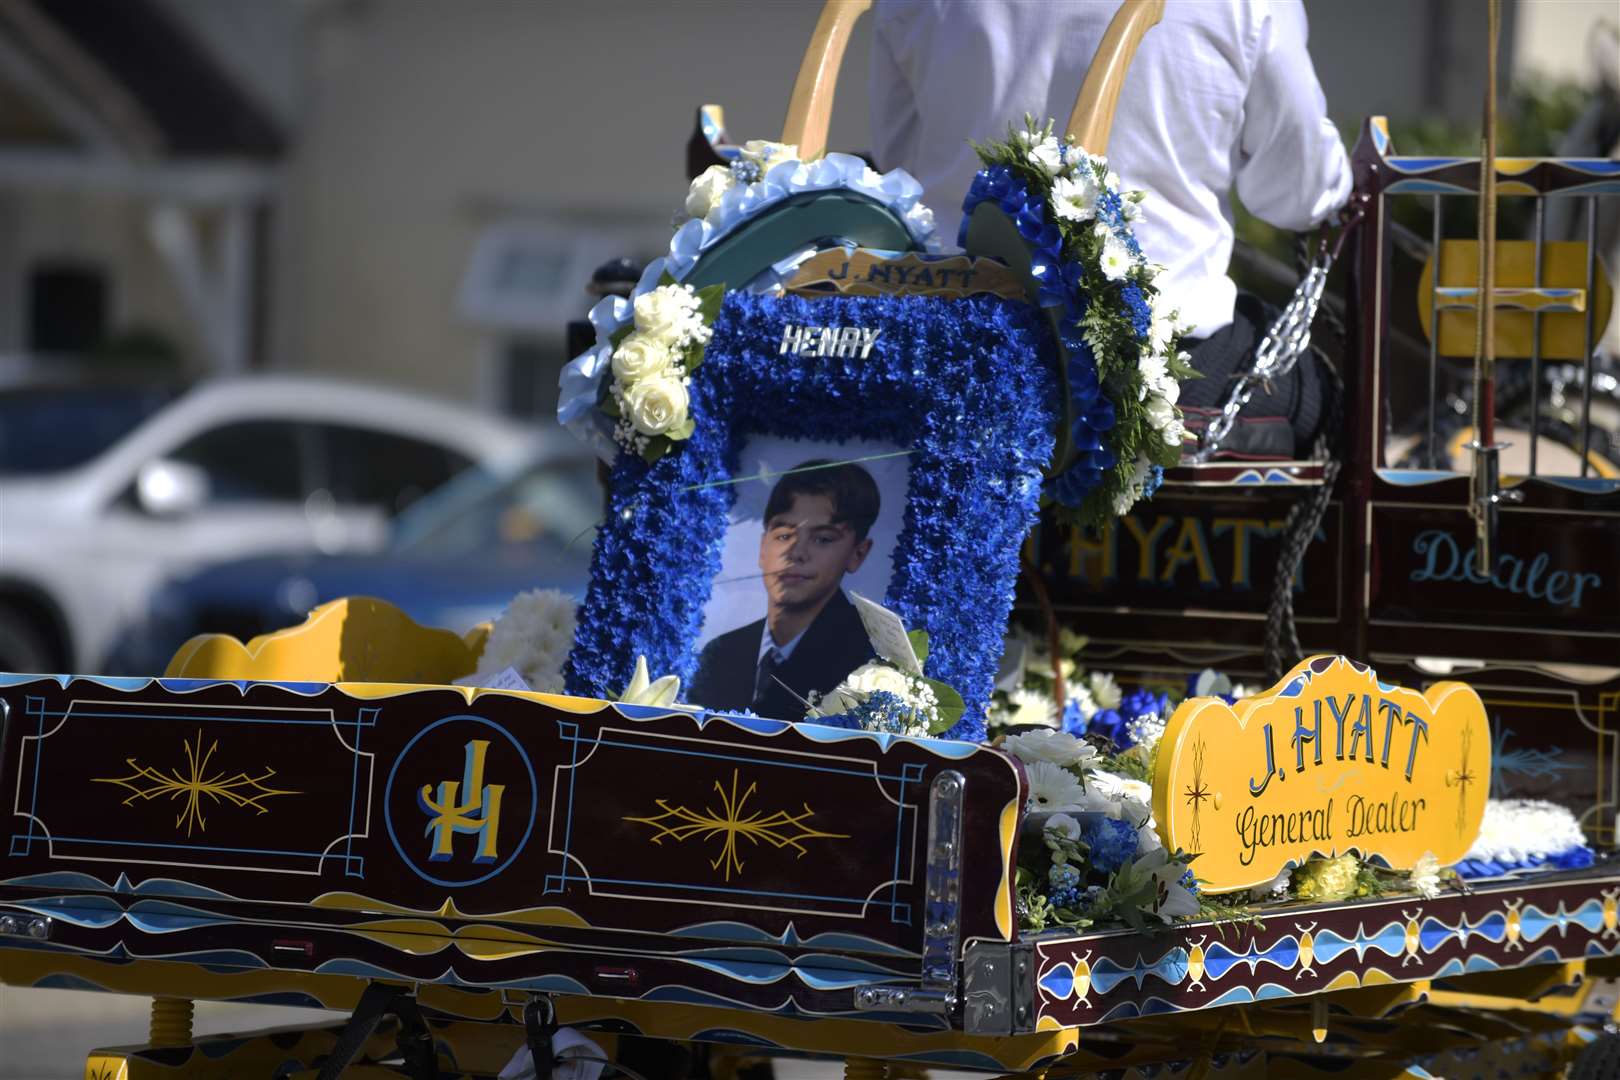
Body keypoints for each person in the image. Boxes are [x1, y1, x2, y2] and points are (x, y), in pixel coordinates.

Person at [870, 0, 1352, 456]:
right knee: (1328, 399)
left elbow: (900, 168)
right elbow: (1298, 196)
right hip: (1161, 358)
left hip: (954, 346)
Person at [688, 460, 881, 720]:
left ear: (858, 553)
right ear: (762, 546)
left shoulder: (869, 660)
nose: (796, 554)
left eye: (823, 538)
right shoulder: (721, 652)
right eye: (783, 536)